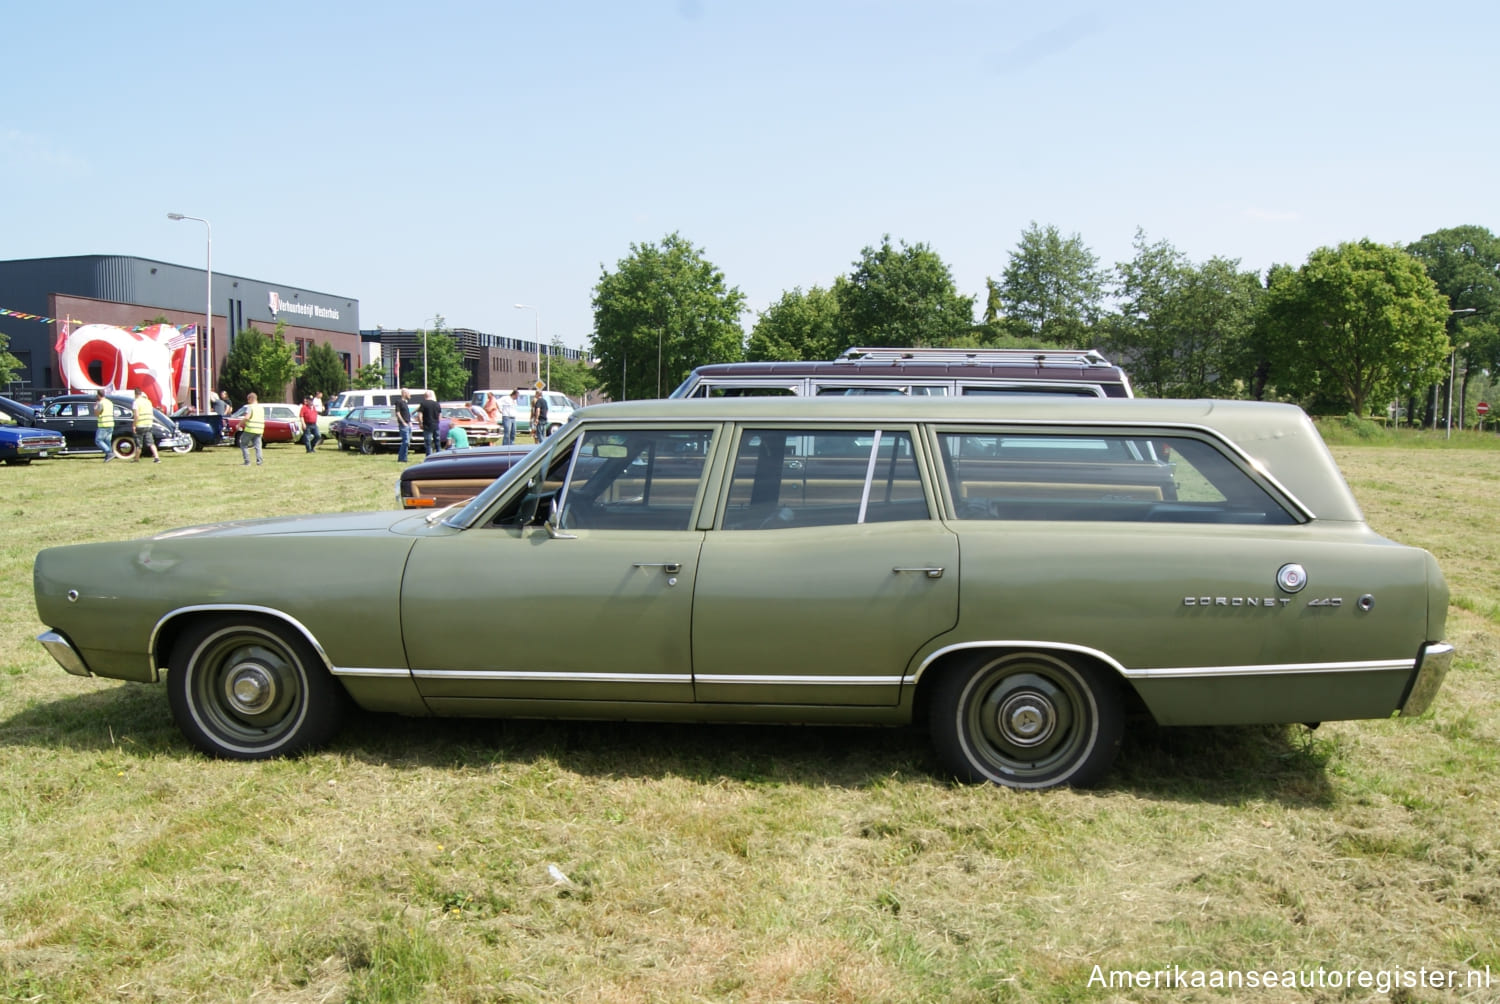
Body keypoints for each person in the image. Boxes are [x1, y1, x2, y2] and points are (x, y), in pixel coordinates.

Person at [131, 388, 161, 463]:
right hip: (148, 424)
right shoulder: (148, 402)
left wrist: (134, 425)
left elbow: (136, 415)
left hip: (140, 424)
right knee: (151, 442)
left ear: (135, 394)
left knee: (139, 443)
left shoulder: (136, 402)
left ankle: (136, 459)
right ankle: (156, 457)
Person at [240, 392, 266, 466]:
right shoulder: (261, 408)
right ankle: (259, 462)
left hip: (250, 429)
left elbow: (247, 417)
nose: (248, 401)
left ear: (251, 399)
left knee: (243, 444)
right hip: (260, 429)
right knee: (258, 446)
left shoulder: (250, 407)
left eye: (248, 399)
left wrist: (239, 424)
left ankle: (247, 462)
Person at [94, 389, 115, 462]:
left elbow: (97, 413)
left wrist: (95, 406)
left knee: (98, 440)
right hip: (110, 423)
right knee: (107, 440)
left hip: (103, 424)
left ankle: (109, 452)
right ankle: (108, 456)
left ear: (98, 395)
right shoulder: (109, 402)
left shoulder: (100, 403)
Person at [418, 391, 441, 456]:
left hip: (427, 425)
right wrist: (438, 422)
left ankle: (429, 456)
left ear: (425, 396)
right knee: (437, 441)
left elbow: (420, 415)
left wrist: (420, 423)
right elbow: (440, 415)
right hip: (436, 425)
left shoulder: (423, 404)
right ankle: (439, 455)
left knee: (428, 442)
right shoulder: (437, 404)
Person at [396, 388, 412, 462]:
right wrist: (403, 422)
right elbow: (398, 413)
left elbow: (407, 414)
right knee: (405, 441)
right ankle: (401, 458)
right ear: (404, 393)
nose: (410, 395)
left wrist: (410, 422)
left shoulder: (405, 403)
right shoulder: (399, 402)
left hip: (408, 424)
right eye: (409, 393)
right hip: (403, 425)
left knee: (407, 442)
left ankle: (404, 458)